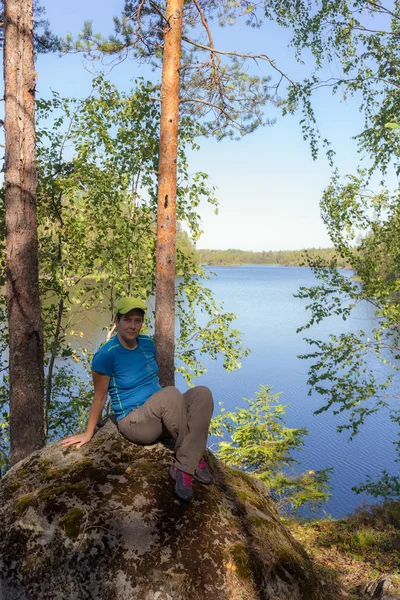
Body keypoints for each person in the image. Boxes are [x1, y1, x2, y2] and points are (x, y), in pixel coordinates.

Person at [61, 297, 214, 502]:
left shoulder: (147, 344)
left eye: (138, 320)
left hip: (161, 413)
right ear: (117, 321)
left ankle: (185, 462)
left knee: (202, 394)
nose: (133, 326)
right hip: (135, 422)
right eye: (127, 320)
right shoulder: (106, 355)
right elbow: (100, 397)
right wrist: (89, 433)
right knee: (170, 393)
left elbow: (152, 381)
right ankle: (189, 465)